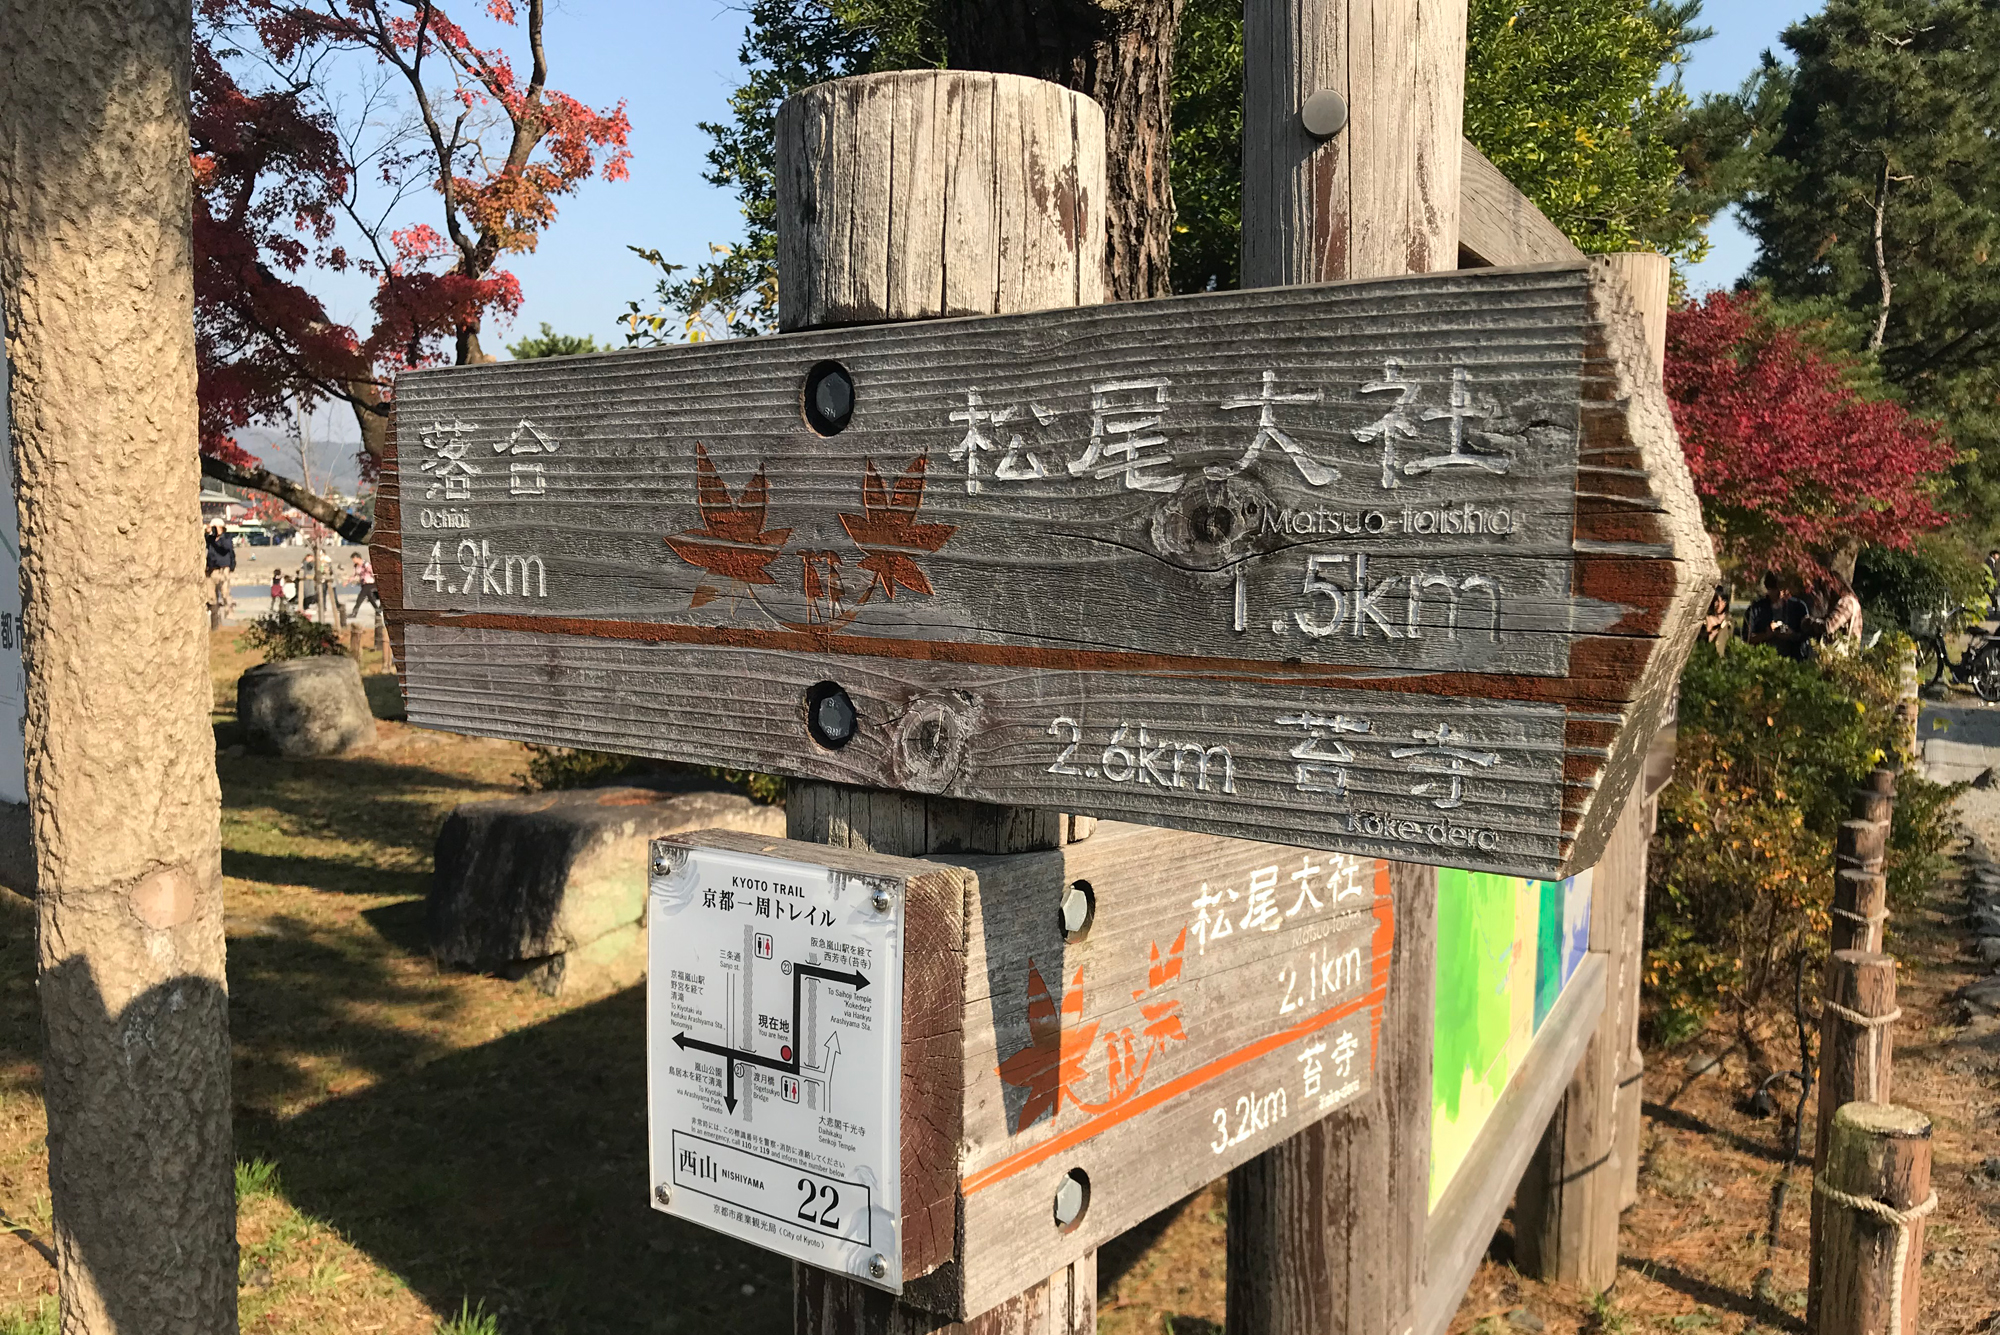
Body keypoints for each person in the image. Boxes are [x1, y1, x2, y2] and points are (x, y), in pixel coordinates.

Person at [1742, 571, 1811, 659]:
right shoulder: (1756, 609)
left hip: (1794, 658)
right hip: (1765, 659)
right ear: (1768, 589)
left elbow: (1807, 635)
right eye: (1774, 589)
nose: (1779, 593)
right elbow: (1746, 638)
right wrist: (1765, 635)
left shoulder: (1798, 607)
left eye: (1782, 589)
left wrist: (1792, 635)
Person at [1697, 586, 1733, 653]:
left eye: (1723, 601)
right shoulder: (1705, 621)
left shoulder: (1729, 621)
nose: (1720, 604)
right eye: (1717, 601)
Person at [349, 552, 379, 621]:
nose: (353, 561)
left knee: (360, 598)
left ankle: (354, 613)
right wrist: (348, 581)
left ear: (357, 558)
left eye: (353, 559)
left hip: (369, 583)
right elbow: (355, 575)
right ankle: (378, 610)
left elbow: (373, 572)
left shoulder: (366, 564)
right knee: (370, 598)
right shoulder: (356, 566)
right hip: (363, 584)